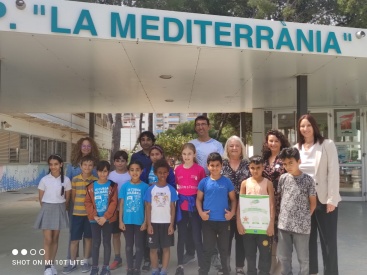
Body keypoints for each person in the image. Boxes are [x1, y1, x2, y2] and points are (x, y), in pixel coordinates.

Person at [296, 114, 341, 275]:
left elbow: (333, 172)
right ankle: (311, 272)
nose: (305, 129)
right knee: (307, 241)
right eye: (302, 126)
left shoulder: (326, 145)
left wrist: (332, 199)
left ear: (314, 126)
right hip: (305, 201)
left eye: (308, 125)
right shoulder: (297, 148)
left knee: (328, 241)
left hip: (324, 200)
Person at [190, 115, 224, 269]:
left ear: (209, 126)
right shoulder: (191, 145)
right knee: (199, 225)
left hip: (213, 189)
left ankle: (215, 255)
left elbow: (223, 165)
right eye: (198, 124)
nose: (201, 127)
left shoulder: (217, 145)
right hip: (194, 190)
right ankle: (201, 255)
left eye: (204, 124)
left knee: (213, 223)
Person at [277, 147, 316, 275]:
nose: (288, 166)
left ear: (299, 161)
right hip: (284, 225)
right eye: (285, 164)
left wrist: (304, 217)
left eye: (291, 163)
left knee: (303, 259)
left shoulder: (308, 180)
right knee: (284, 258)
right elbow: (281, 197)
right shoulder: (283, 178)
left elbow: (313, 203)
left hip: (302, 227)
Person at [196, 152, 237, 275]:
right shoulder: (204, 182)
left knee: (224, 250)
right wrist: (201, 213)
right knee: (207, 250)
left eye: (217, 165)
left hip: (224, 222)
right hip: (208, 222)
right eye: (212, 165)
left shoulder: (227, 182)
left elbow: (234, 199)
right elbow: (198, 200)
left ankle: (226, 272)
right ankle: (203, 272)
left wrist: (232, 213)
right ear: (208, 166)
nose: (214, 168)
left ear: (222, 166)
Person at [64, 137, 100, 272]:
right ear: (79, 147)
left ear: (92, 148)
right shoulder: (72, 164)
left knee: (89, 235)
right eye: (83, 146)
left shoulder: (96, 164)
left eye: (88, 146)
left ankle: (87, 260)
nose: (86, 148)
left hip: (91, 205)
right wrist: (68, 202)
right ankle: (71, 259)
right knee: (73, 233)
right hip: (76, 205)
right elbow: (68, 184)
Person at [236, 155, 274, 275]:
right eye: (252, 168)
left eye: (258, 167)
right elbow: (240, 204)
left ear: (263, 167)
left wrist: (271, 224)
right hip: (248, 227)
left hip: (263, 227)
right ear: (249, 168)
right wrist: (239, 223)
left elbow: (272, 204)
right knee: (250, 255)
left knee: (264, 254)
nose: (255, 170)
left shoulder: (268, 183)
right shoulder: (244, 183)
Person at [140, 144, 176, 271]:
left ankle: (163, 270)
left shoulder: (170, 188)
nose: (162, 174)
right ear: (155, 173)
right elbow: (148, 206)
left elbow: (173, 207)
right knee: (153, 248)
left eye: (164, 173)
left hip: (166, 222)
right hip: (153, 222)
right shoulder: (150, 188)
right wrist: (148, 223)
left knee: (165, 248)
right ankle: (155, 269)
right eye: (152, 154)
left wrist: (172, 224)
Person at [34, 154, 71, 275]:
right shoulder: (44, 179)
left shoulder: (66, 180)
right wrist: (47, 208)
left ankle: (52, 265)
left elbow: (67, 199)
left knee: (55, 238)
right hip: (47, 208)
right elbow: (41, 198)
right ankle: (47, 267)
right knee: (48, 239)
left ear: (61, 165)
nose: (53, 167)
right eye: (51, 164)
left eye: (56, 164)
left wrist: (61, 208)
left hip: (60, 208)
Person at [174, 143, 206, 275]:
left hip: (194, 206)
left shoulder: (199, 169)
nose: (186, 156)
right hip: (182, 207)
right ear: (181, 155)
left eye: (189, 154)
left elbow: (203, 189)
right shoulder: (177, 169)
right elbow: (175, 186)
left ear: (194, 155)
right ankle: (180, 265)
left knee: (197, 237)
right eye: (184, 154)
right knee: (181, 236)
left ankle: (202, 266)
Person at [261, 129, 290, 274]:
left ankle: (281, 269)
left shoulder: (285, 158)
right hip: (265, 202)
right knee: (268, 234)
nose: (273, 143)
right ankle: (270, 267)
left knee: (280, 235)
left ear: (281, 142)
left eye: (276, 141)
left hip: (281, 201)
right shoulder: (264, 159)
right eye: (270, 141)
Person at [221, 136, 250, 275]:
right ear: (227, 148)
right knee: (224, 240)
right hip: (224, 208)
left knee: (241, 238)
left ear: (241, 148)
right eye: (231, 145)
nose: (234, 148)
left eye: (237, 146)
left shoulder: (247, 164)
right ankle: (225, 267)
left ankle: (239, 267)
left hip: (244, 207)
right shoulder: (221, 164)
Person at [85, 161, 118, 275]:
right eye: (100, 171)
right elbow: (88, 202)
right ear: (97, 171)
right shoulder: (91, 186)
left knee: (107, 242)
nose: (102, 174)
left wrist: (105, 217)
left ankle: (105, 267)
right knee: (96, 242)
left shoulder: (113, 185)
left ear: (108, 172)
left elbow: (114, 202)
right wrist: (94, 216)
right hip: (94, 220)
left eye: (105, 171)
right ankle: (94, 267)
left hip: (107, 220)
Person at [119, 160, 149, 275]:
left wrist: (146, 221)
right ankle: (130, 268)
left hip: (140, 221)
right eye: (132, 170)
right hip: (127, 221)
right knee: (128, 246)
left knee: (139, 246)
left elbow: (147, 206)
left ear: (141, 171)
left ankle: (137, 269)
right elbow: (121, 204)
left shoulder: (145, 187)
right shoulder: (125, 186)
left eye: (137, 170)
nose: (134, 172)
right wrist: (120, 221)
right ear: (128, 171)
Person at [108, 150, 131, 270]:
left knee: (128, 236)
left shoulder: (130, 175)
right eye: (118, 161)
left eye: (123, 161)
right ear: (114, 162)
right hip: (114, 210)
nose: (120, 163)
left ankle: (130, 260)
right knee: (115, 235)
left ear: (127, 162)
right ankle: (117, 258)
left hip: (128, 210)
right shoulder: (110, 175)